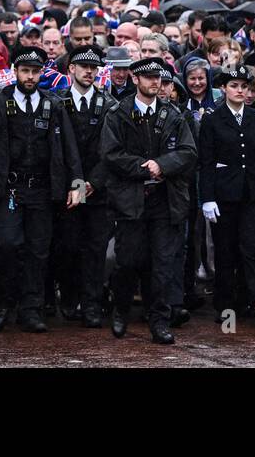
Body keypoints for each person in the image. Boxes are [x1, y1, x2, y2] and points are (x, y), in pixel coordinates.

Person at [0, 45, 82, 333]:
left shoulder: (53, 105)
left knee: (38, 251)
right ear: (15, 72)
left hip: (43, 191)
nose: (30, 77)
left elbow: (70, 149)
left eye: (35, 71)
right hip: (9, 190)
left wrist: (76, 185)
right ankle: (4, 302)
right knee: (7, 245)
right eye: (25, 71)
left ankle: (31, 309)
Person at [100, 56, 197, 344]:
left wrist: (163, 165)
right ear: (136, 79)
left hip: (165, 200)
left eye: (161, 78)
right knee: (128, 261)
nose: (156, 82)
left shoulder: (174, 114)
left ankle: (159, 321)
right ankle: (120, 310)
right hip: (130, 199)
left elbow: (188, 152)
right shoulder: (118, 113)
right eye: (150, 77)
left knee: (162, 264)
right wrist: (145, 167)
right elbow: (110, 154)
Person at [199, 66, 255, 327]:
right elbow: (207, 162)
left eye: (244, 86)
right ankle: (224, 303)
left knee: (253, 247)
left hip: (253, 193)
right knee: (226, 251)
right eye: (234, 85)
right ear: (224, 88)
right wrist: (207, 198)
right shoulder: (213, 119)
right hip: (224, 194)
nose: (240, 90)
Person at [54, 45, 115, 328]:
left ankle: (91, 304)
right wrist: (74, 184)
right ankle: (69, 298)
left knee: (95, 249)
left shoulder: (109, 105)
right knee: (68, 246)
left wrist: (92, 182)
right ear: (71, 69)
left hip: (98, 190)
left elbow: (112, 150)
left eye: (94, 67)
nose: (89, 71)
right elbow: (56, 150)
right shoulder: (57, 103)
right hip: (67, 189)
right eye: (83, 66)